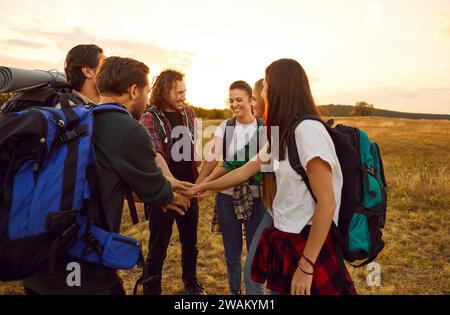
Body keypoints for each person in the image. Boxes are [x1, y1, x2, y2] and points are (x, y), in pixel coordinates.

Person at [187, 59, 357, 295]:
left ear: (280, 89)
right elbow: (245, 169)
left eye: (265, 85)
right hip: (285, 234)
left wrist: (307, 266)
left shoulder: (308, 131)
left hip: (308, 239)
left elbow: (327, 203)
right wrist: (203, 187)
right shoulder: (282, 133)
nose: (262, 91)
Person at [22, 56, 190, 295]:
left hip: (41, 257)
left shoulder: (80, 117)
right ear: (133, 91)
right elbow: (155, 191)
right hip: (81, 264)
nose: (147, 98)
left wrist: (166, 183)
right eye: (145, 91)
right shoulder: (129, 128)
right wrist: (180, 195)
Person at [196, 80, 266, 295]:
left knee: (257, 252)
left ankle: (255, 292)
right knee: (232, 252)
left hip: (258, 198)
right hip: (226, 197)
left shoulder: (263, 127)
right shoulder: (225, 127)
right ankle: (235, 291)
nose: (234, 104)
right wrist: (199, 185)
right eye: (231, 100)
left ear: (251, 100)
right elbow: (213, 158)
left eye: (239, 100)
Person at [140, 70, 205, 295]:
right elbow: (155, 155)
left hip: (189, 188)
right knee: (158, 246)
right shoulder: (150, 117)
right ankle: (152, 289)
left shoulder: (189, 113)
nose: (183, 96)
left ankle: (191, 283)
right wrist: (174, 186)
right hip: (164, 190)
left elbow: (194, 150)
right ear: (164, 90)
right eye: (178, 92)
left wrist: (198, 182)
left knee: (191, 243)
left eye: (184, 91)